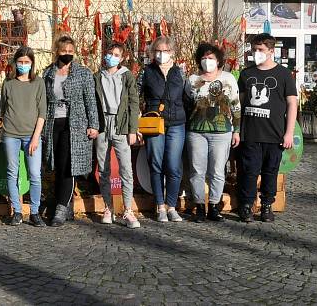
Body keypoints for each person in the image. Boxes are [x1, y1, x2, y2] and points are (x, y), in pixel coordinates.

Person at [236, 33, 297, 223]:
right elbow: (238, 104)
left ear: (271, 51)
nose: (256, 53)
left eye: (260, 50)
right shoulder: (247, 74)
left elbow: (292, 104)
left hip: (274, 134)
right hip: (250, 133)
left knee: (270, 172)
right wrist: (237, 130)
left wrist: (289, 133)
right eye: (254, 49)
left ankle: (267, 205)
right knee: (249, 171)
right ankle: (246, 205)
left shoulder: (283, 74)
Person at [42, 35, 100, 227]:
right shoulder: (48, 73)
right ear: (57, 52)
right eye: (63, 51)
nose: (67, 54)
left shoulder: (83, 74)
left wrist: (94, 124)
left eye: (70, 51)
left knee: (69, 165)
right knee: (58, 165)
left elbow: (90, 100)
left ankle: (60, 208)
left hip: (75, 124)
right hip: (53, 122)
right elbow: (43, 100)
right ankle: (66, 205)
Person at [139, 36, 192, 223]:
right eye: (158, 51)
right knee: (156, 163)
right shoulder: (146, 72)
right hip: (154, 122)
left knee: (173, 165)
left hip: (177, 123)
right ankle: (160, 206)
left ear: (172, 53)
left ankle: (172, 206)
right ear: (154, 53)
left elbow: (188, 98)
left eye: (166, 51)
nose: (162, 54)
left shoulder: (181, 73)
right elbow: (137, 97)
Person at [186, 43, 240, 223]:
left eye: (211, 58)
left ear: (218, 61)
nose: (207, 61)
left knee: (217, 170)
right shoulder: (192, 79)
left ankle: (215, 206)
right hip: (196, 131)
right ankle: (200, 206)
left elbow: (236, 104)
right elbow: (187, 104)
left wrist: (237, 130)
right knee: (196, 170)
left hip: (222, 130)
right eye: (204, 58)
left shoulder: (228, 78)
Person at [93, 42, 140, 228]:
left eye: (115, 54)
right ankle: (107, 207)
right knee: (103, 168)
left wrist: (132, 129)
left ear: (121, 58)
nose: (111, 56)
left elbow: (133, 102)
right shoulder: (97, 76)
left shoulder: (127, 76)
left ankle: (128, 210)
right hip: (103, 125)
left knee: (126, 169)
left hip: (121, 125)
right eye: (109, 53)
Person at [0, 46, 46, 227]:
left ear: (32, 64)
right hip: (11, 134)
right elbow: (3, 108)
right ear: (15, 62)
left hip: (31, 136)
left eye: (27, 62)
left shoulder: (38, 83)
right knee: (12, 172)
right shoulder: (8, 83)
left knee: (34, 174)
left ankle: (34, 212)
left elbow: (42, 112)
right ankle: (17, 211)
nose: (23, 65)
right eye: (20, 62)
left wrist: (36, 137)